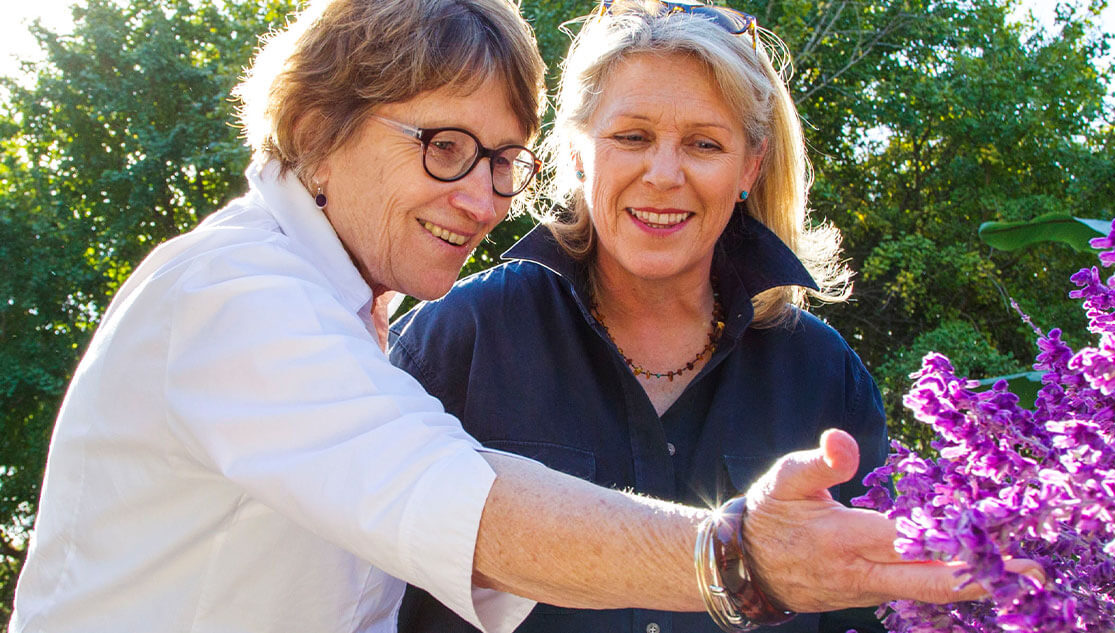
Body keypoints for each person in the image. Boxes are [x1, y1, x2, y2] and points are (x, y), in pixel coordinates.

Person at [5, 1, 1014, 632]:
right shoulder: (235, 298)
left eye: (498, 161)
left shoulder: (338, 307)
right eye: (444, 146)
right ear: (319, 131)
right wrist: (737, 556)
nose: (483, 200)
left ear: (750, 164)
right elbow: (456, 499)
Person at [390, 1, 886, 632]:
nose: (663, 174)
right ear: (575, 151)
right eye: (632, 137)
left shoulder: (823, 377)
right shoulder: (457, 339)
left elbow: (872, 615)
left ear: (749, 167)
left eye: (704, 144)